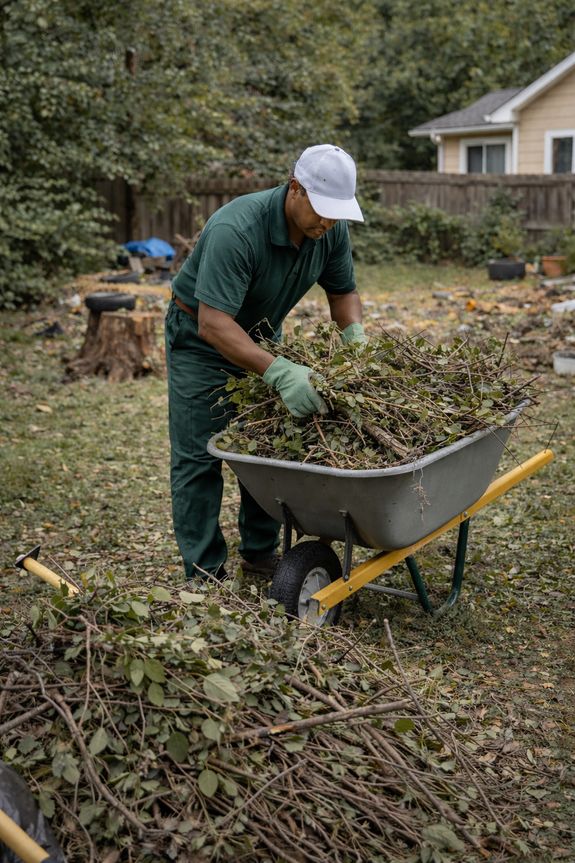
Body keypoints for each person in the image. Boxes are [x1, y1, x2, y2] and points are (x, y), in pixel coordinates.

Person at [166, 144, 366, 581]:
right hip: (199, 338)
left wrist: (355, 339)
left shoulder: (328, 230)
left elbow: (343, 292)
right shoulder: (236, 229)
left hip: (260, 334)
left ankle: (259, 554)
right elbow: (213, 323)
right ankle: (204, 570)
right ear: (295, 188)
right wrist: (278, 372)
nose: (329, 222)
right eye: (323, 210)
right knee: (199, 456)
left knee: (265, 449)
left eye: (337, 214)